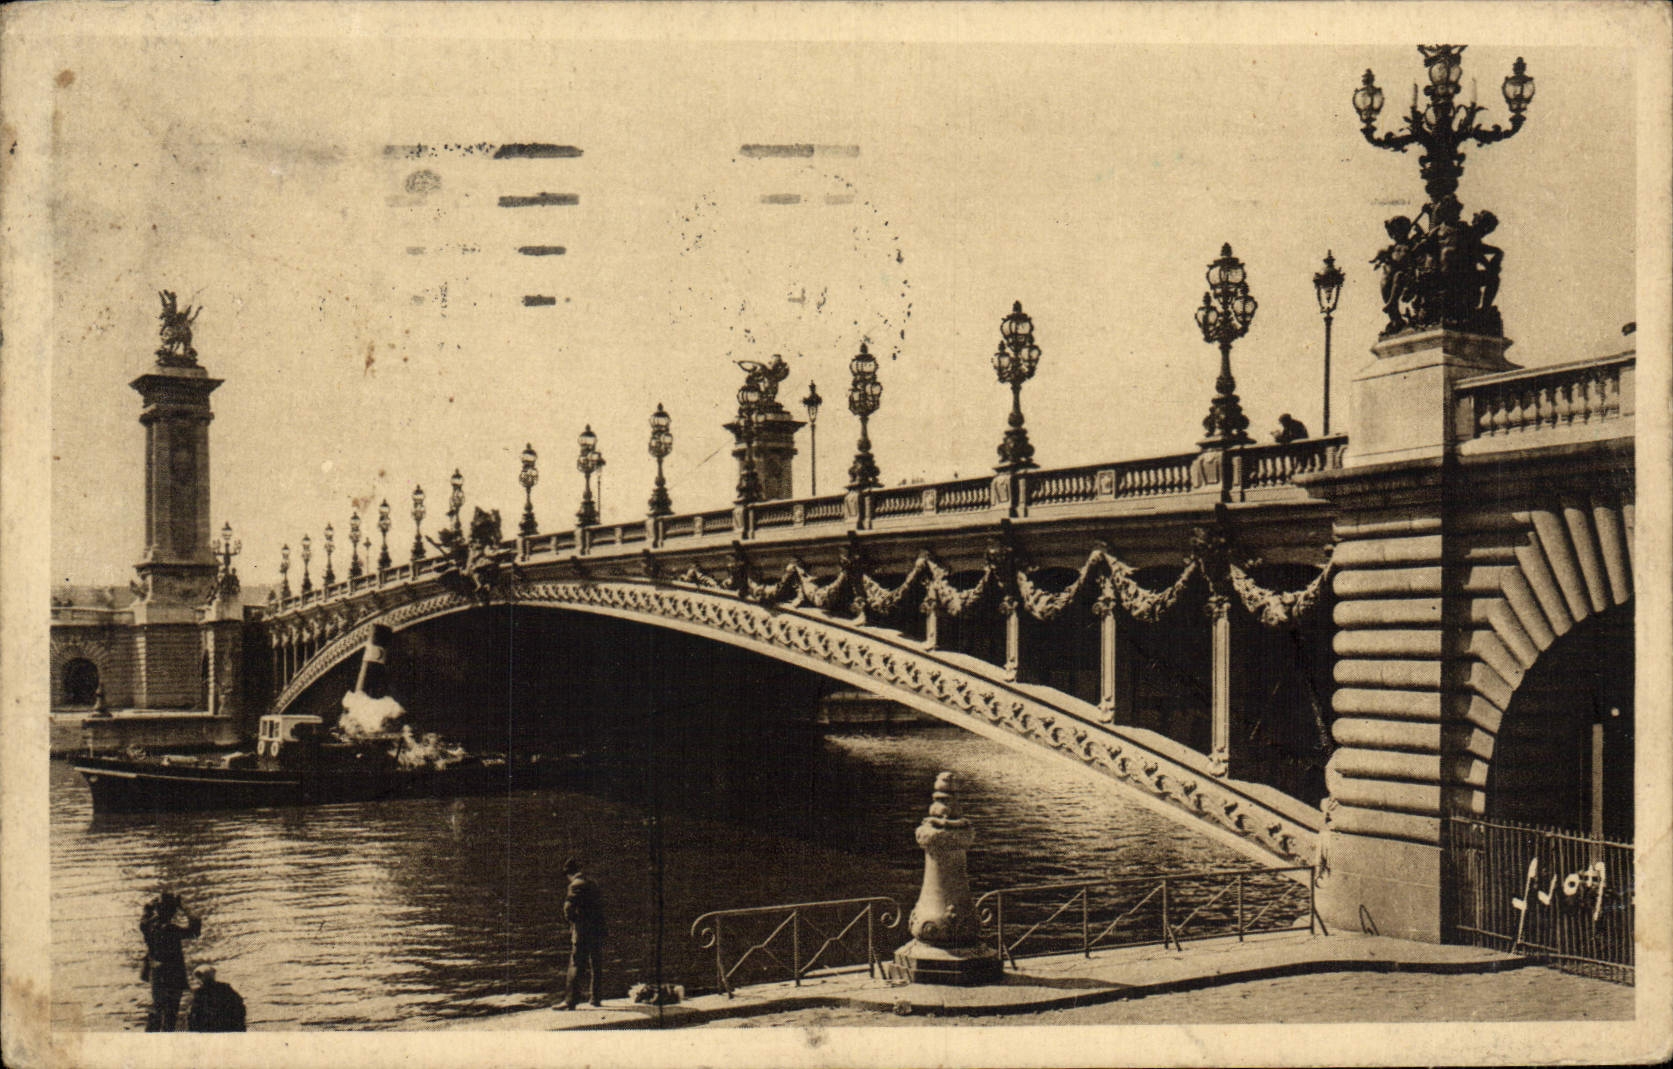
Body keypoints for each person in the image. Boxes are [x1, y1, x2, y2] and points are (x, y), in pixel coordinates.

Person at [139, 891, 201, 1031]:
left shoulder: (149, 925)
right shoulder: (170, 929)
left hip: (156, 973)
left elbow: (144, 916)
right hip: (173, 975)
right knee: (171, 1015)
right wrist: (184, 908)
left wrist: (149, 907)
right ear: (172, 912)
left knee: (158, 1008)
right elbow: (195, 930)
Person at [559, 857, 607, 1009]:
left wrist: (574, 922)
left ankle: (570, 1001)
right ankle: (596, 998)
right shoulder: (593, 883)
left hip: (583, 931)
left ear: (569, 874)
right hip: (598, 929)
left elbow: (568, 908)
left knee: (576, 964)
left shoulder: (575, 885)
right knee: (596, 964)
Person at [184, 964, 246, 1032]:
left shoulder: (200, 993)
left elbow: (193, 1016)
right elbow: (240, 1007)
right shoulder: (225, 988)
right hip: (230, 1028)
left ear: (200, 978)